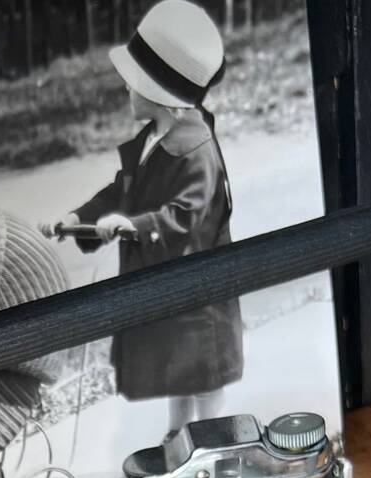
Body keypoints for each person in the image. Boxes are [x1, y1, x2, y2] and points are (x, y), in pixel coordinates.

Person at [52, 0, 244, 433]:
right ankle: (178, 433)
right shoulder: (152, 139)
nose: (127, 91)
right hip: (173, 282)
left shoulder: (197, 151)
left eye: (134, 85)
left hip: (200, 288)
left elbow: (184, 217)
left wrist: (134, 226)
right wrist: (79, 216)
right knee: (181, 369)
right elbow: (121, 190)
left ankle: (213, 436)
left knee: (205, 374)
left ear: (160, 93)